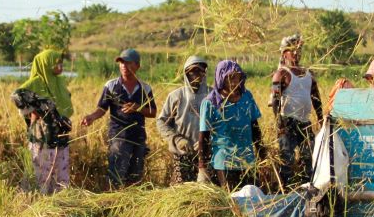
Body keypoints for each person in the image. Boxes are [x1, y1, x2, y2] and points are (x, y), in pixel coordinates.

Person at [80, 48, 157, 187]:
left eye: (128, 63)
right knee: (116, 176)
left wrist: (138, 108)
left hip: (138, 137)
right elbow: (102, 109)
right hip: (118, 135)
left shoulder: (145, 88)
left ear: (137, 66)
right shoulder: (111, 86)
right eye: (121, 63)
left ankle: (131, 205)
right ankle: (114, 201)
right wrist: (91, 117)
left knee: (135, 178)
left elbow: (153, 112)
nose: (124, 66)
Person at [12, 49, 74, 194]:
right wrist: (37, 108)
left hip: (61, 135)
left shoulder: (59, 81)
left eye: (61, 63)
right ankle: (39, 204)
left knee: (61, 173)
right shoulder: (35, 82)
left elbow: (65, 105)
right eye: (57, 63)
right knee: (41, 173)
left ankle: (59, 203)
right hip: (42, 137)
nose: (60, 66)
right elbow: (16, 97)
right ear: (46, 64)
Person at [200, 59, 265, 190]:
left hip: (247, 161)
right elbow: (204, 136)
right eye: (230, 78)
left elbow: (255, 128)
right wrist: (202, 165)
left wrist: (263, 157)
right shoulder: (210, 103)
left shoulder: (247, 97)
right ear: (221, 78)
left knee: (252, 197)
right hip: (224, 163)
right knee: (231, 200)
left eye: (238, 78)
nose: (235, 82)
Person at [269, 35, 322, 187]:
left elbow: (315, 96)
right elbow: (275, 100)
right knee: (287, 158)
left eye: (298, 51)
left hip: (304, 122)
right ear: (284, 53)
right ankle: (285, 189)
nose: (295, 54)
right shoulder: (281, 74)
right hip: (288, 122)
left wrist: (320, 117)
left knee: (309, 156)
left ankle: (308, 187)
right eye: (291, 51)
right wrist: (279, 121)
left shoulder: (308, 74)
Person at [155, 56, 211, 184]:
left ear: (204, 74)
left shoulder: (212, 95)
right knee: (182, 189)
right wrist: (177, 139)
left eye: (199, 72)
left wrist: (208, 140)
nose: (196, 76)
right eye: (192, 72)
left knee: (206, 189)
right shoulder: (176, 96)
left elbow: (221, 124)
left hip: (207, 153)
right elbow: (161, 122)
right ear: (186, 74)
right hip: (182, 152)